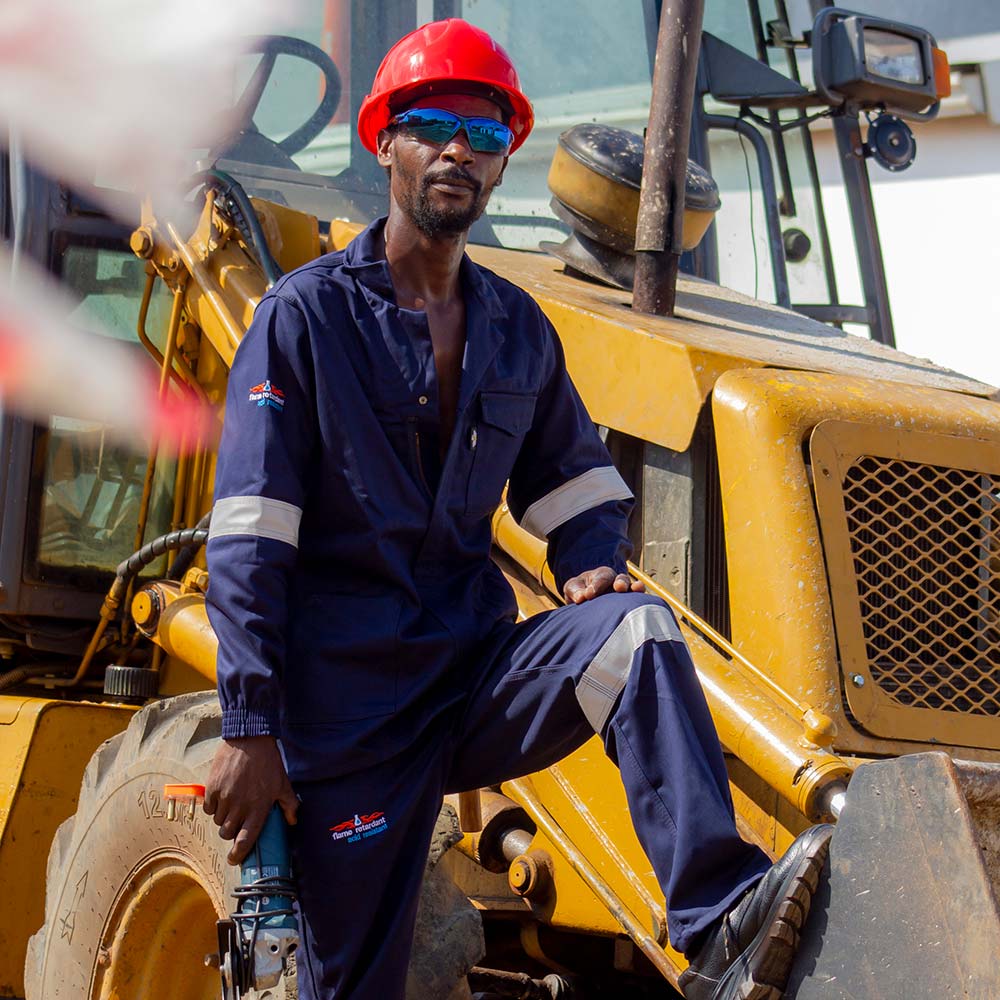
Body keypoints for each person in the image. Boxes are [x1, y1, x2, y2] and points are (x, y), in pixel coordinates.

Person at [202, 18, 831, 1000]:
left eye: (485, 136)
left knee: (633, 630)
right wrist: (248, 724)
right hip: (349, 714)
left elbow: (573, 480)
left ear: (501, 171)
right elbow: (250, 533)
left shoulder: (516, 330)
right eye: (432, 124)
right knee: (345, 984)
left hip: (469, 676)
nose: (459, 147)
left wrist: (586, 552)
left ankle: (717, 926)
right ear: (387, 144)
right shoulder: (303, 318)